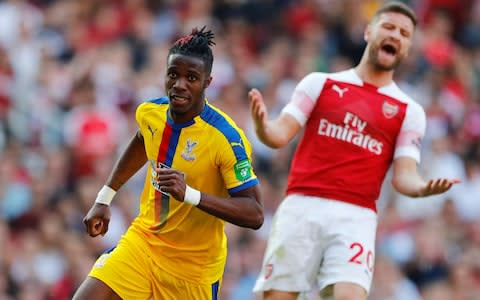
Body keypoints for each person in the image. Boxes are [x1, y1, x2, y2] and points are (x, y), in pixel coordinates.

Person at [248, 2, 460, 300]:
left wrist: (423, 188)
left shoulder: (409, 111)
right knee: (279, 296)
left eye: (404, 33)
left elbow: (404, 177)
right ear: (369, 31)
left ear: (408, 47)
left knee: (348, 296)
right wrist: (261, 126)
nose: (395, 35)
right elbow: (278, 134)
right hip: (303, 204)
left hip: (355, 215)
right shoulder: (320, 83)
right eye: (389, 27)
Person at [73, 27, 263, 300]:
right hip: (144, 243)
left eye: (192, 78)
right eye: (173, 74)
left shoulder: (227, 139)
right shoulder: (151, 113)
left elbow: (255, 212)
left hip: (193, 271)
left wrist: (190, 195)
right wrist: (105, 197)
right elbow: (142, 140)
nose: (180, 84)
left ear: (207, 82)